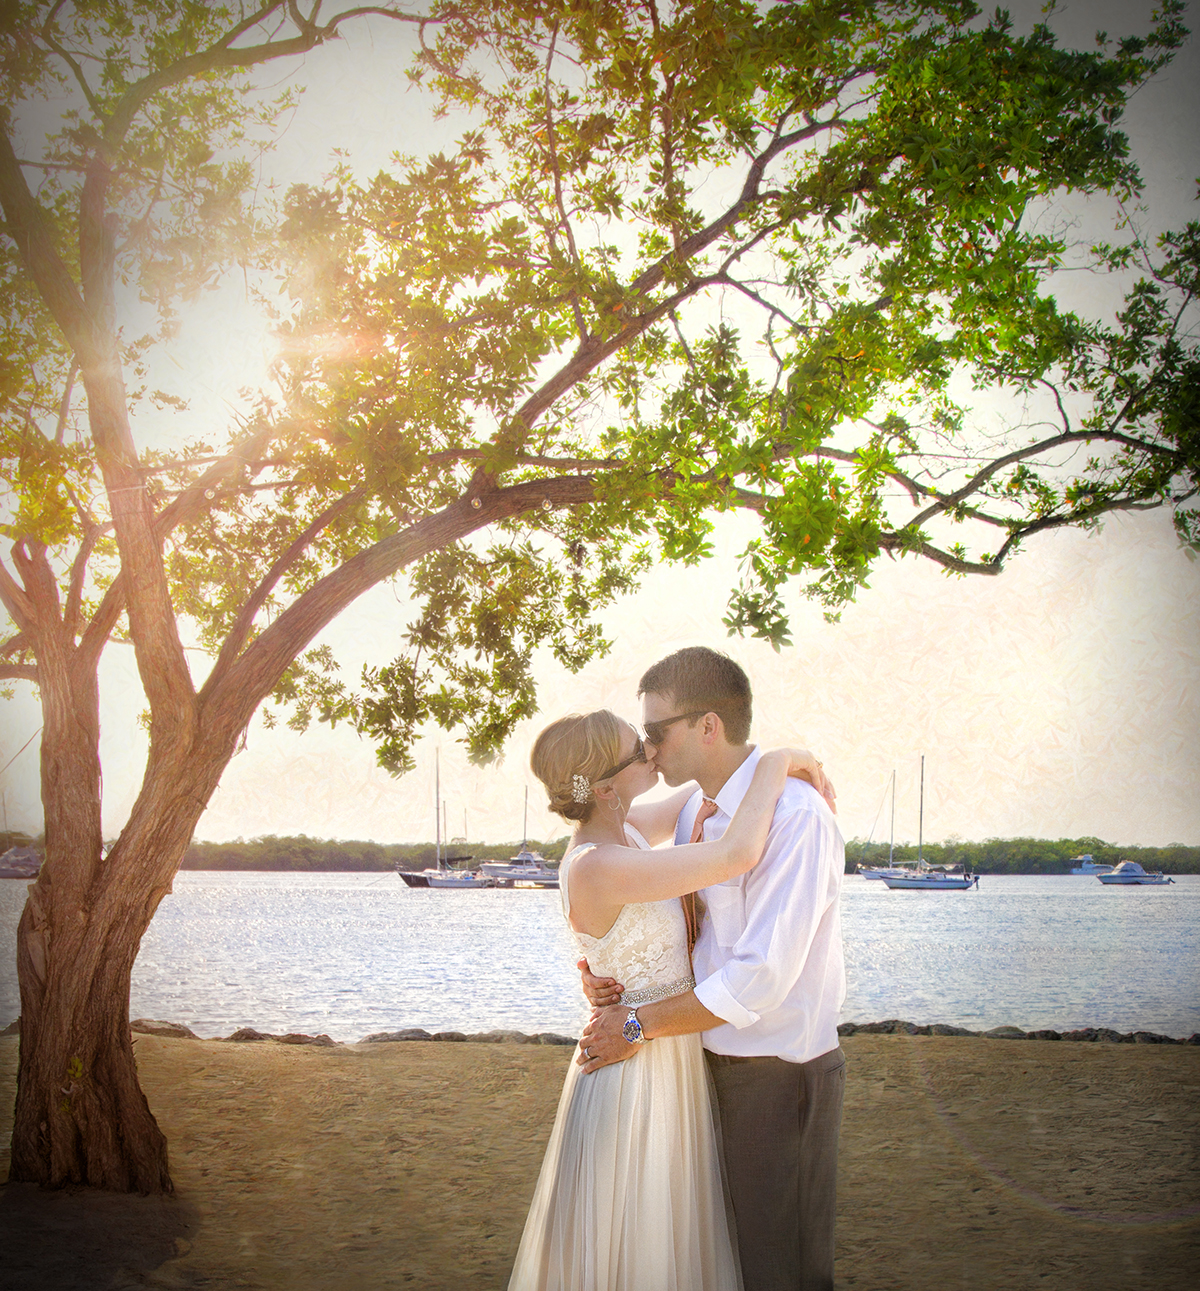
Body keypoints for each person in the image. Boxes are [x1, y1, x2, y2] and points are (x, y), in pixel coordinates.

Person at [508, 708, 830, 1291]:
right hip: (635, 1068)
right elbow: (735, 855)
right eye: (639, 750)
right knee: (641, 1239)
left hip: (667, 1049)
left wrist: (595, 972)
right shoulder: (599, 864)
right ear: (605, 787)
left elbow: (698, 801)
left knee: (675, 1238)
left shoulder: (626, 829)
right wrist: (781, 760)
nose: (653, 752)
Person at [578, 648, 846, 1291]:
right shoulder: (702, 810)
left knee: (779, 1269)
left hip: (776, 1076)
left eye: (655, 731)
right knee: (720, 1265)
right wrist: (600, 960)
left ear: (707, 727)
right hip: (701, 1066)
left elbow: (761, 976)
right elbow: (602, 864)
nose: (647, 748)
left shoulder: (795, 817)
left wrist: (637, 1024)